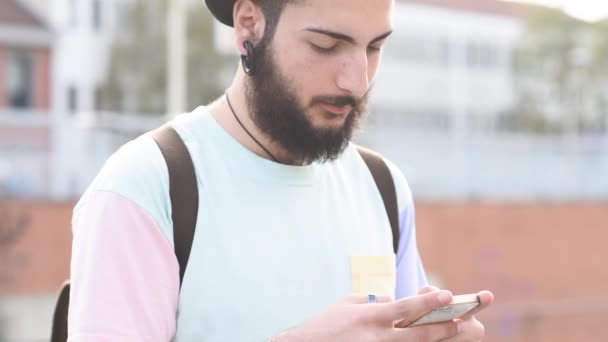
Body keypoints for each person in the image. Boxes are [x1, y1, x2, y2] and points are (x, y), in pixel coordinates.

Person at [68, 0, 494, 341]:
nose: (357, 81)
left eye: (374, 47)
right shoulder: (144, 186)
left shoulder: (382, 186)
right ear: (249, 24)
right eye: (326, 46)